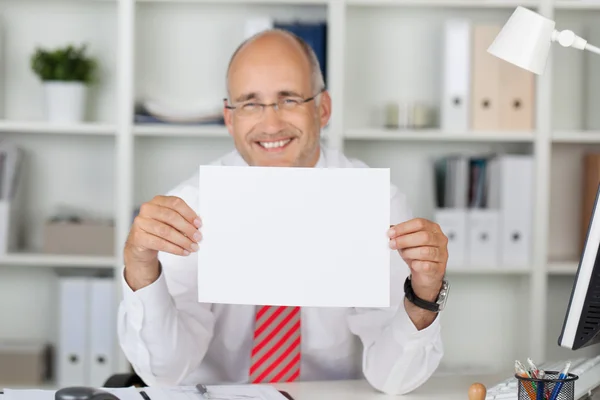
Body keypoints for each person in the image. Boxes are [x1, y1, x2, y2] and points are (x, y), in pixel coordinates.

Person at [117, 29, 449, 396]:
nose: (271, 123)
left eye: (288, 99)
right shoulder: (192, 204)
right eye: (250, 103)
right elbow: (164, 371)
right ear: (230, 119)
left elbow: (394, 378)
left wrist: (424, 293)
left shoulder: (377, 205)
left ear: (322, 109)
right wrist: (142, 269)